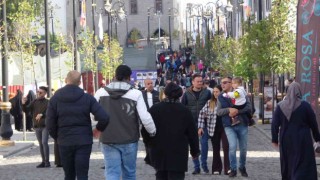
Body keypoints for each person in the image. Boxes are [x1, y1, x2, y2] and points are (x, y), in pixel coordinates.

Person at [94, 65, 156, 180]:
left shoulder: (100, 93)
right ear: (129, 77)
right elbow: (145, 117)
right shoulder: (136, 94)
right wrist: (152, 132)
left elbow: (92, 114)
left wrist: (97, 128)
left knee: (112, 172)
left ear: (115, 76)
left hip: (108, 138)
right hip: (129, 138)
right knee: (129, 173)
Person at [46, 70, 110, 180]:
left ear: (66, 80)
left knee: (69, 175)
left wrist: (57, 137)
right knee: (82, 174)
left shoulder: (55, 99)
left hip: (64, 139)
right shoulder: (87, 98)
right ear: (80, 82)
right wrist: (98, 129)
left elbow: (50, 123)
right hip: (83, 140)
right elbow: (104, 117)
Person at [149, 82, 200, 180]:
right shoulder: (185, 111)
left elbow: (146, 128)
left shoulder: (155, 109)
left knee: (160, 176)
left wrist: (149, 146)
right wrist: (195, 151)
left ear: (165, 93)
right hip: (178, 152)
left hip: (160, 150)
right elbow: (192, 134)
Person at [271, 82, 320, 180]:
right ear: (299, 92)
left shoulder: (280, 106)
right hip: (303, 139)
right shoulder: (305, 106)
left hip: (286, 139)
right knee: (303, 163)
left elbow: (274, 125)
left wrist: (274, 140)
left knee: (289, 162)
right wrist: (317, 138)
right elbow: (313, 123)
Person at [217, 77, 251, 177]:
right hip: (229, 125)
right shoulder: (221, 97)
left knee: (243, 148)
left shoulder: (240, 92)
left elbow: (249, 107)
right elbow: (219, 112)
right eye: (221, 83)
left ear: (231, 83)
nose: (222, 85)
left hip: (242, 124)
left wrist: (237, 111)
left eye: (224, 82)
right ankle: (233, 168)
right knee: (232, 147)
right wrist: (229, 110)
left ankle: (242, 167)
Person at [181, 73, 211, 174]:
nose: (200, 83)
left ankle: (204, 165)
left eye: (201, 81)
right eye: (198, 81)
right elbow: (183, 108)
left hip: (204, 123)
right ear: (193, 82)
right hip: (191, 123)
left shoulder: (207, 93)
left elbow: (211, 105)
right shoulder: (186, 93)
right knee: (193, 146)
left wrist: (209, 113)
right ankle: (196, 166)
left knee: (204, 144)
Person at [198, 85, 230, 175]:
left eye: (217, 91)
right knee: (216, 149)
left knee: (226, 147)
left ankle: (228, 168)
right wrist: (200, 127)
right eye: (214, 92)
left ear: (221, 92)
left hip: (225, 127)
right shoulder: (210, 102)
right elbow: (201, 114)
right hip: (213, 128)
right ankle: (216, 168)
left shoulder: (226, 101)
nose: (215, 93)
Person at [22, 86, 50, 168]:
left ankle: (47, 162)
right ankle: (43, 161)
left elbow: (50, 112)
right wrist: (23, 104)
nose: (38, 93)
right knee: (41, 144)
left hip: (45, 125)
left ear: (45, 93)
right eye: (38, 92)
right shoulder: (34, 101)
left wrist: (42, 114)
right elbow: (26, 110)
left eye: (40, 92)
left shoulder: (48, 102)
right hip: (37, 126)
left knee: (44, 142)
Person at [141, 78, 160, 165]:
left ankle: (155, 156)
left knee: (156, 139)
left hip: (156, 120)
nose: (150, 85)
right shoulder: (141, 95)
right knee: (146, 139)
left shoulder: (158, 94)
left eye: (151, 83)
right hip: (145, 120)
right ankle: (148, 156)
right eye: (148, 84)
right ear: (145, 85)